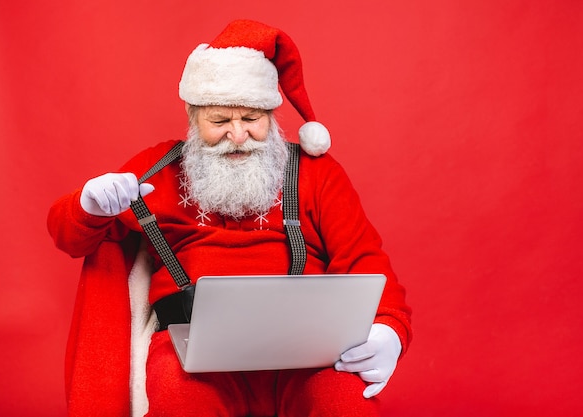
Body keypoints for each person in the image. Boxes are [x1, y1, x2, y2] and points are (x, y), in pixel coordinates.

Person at [48, 19, 412, 417]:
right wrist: (87, 206)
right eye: (219, 121)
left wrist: (388, 329)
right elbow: (72, 238)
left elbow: (365, 259)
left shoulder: (317, 173)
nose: (237, 135)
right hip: (192, 355)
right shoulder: (157, 170)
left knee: (346, 400)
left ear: (271, 116)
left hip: (307, 352)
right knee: (176, 393)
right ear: (193, 118)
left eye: (252, 118)